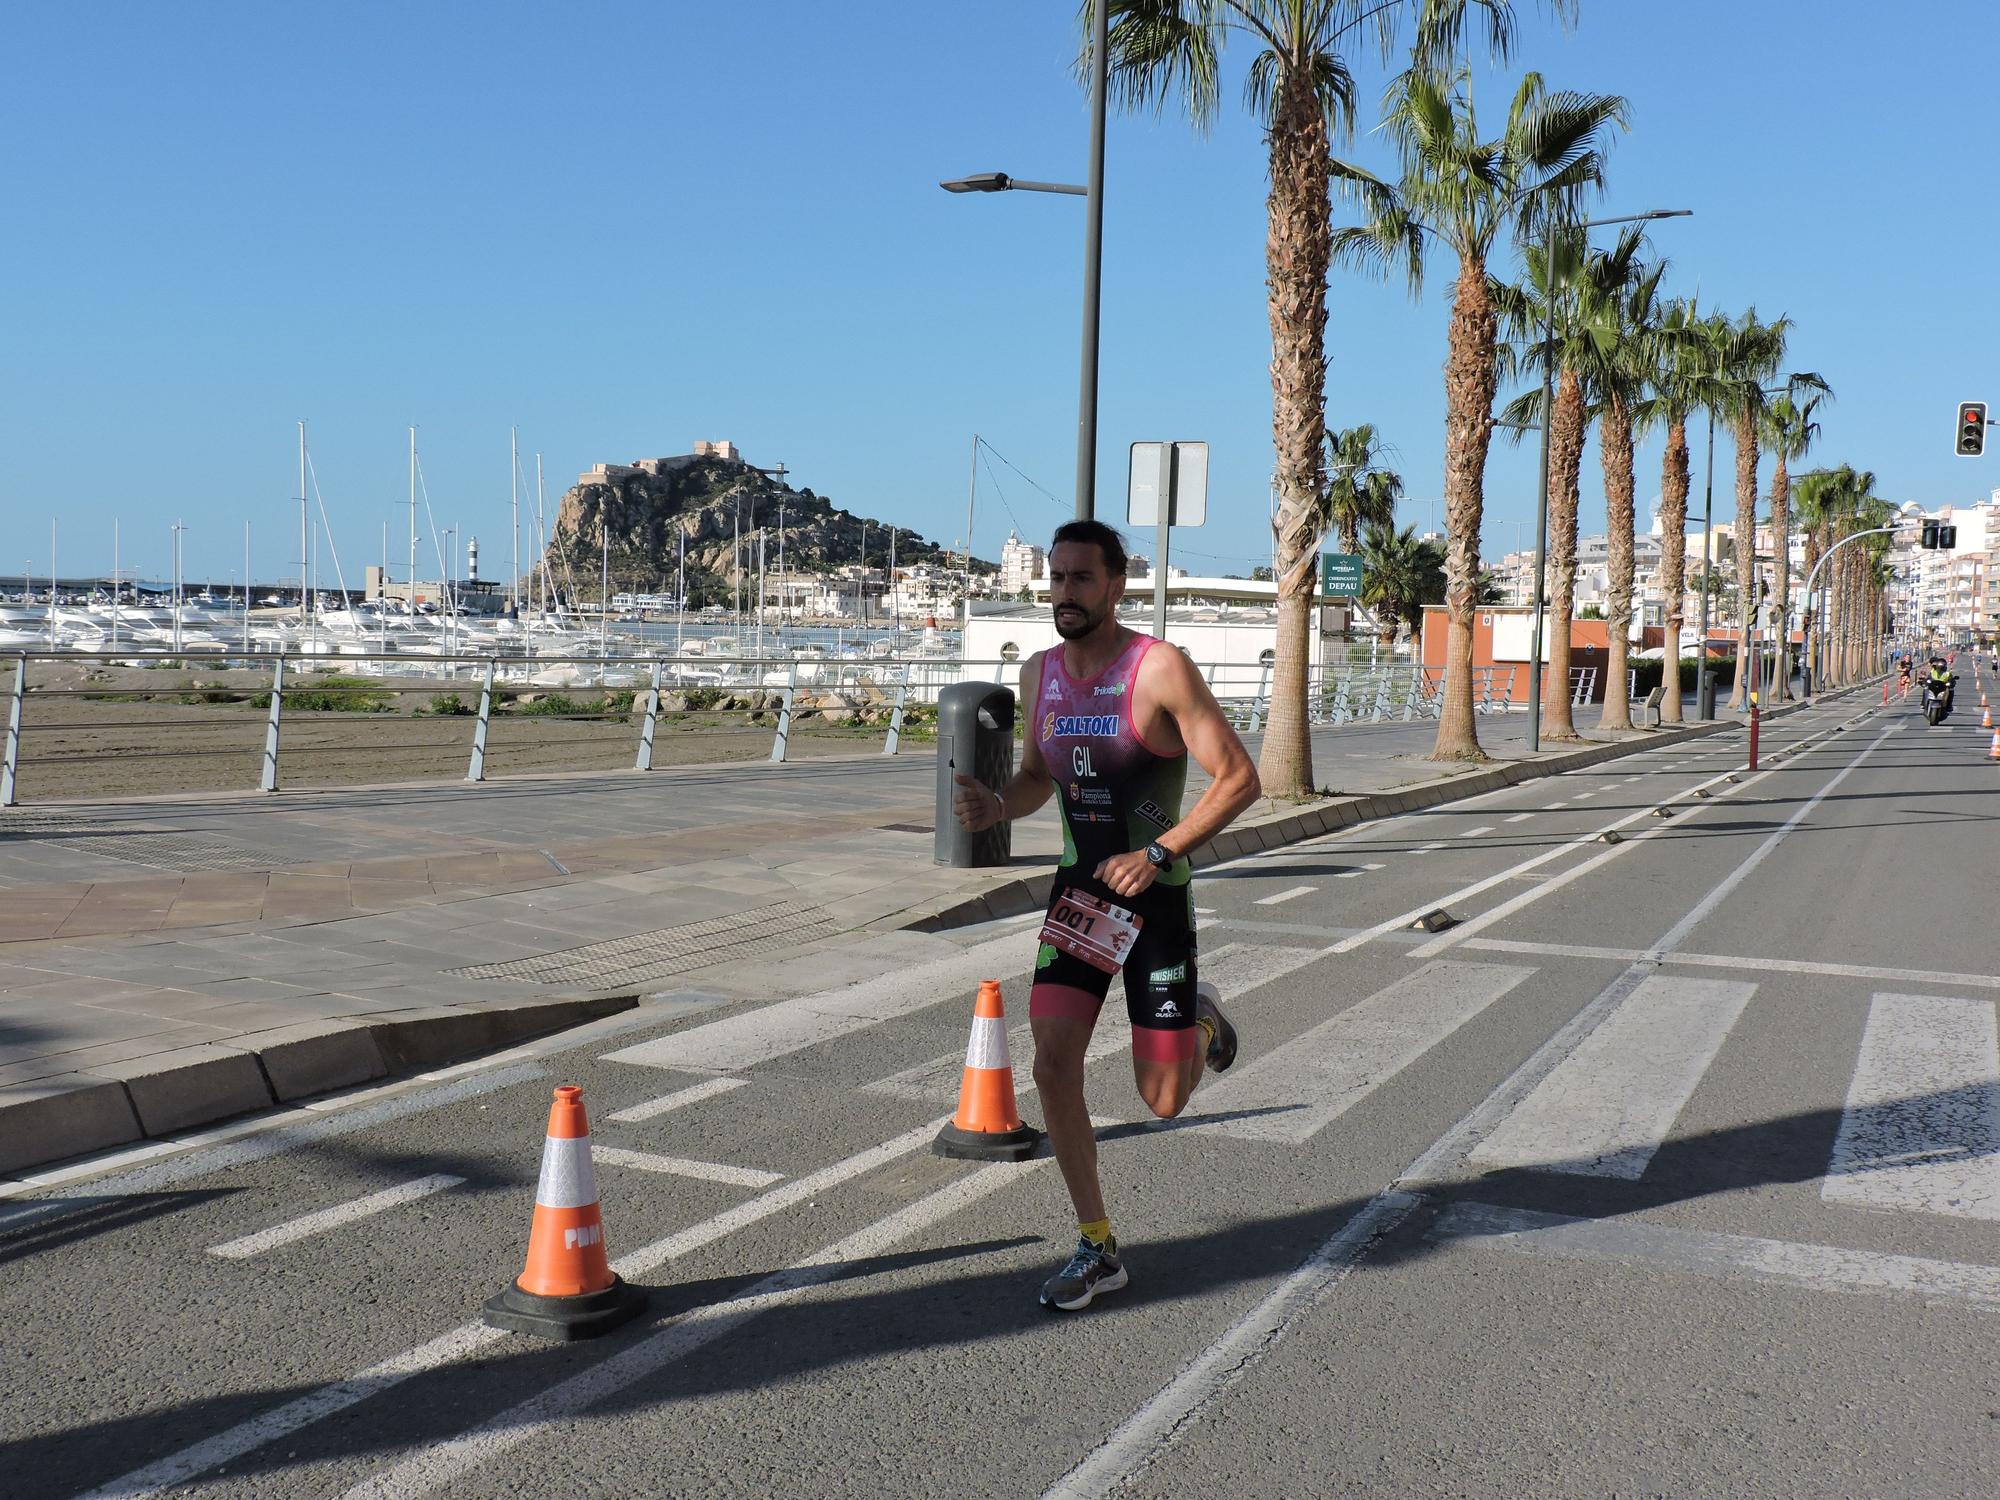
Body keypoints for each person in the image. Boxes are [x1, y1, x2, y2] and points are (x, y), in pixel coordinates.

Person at [951, 518, 1261, 1311]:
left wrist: (1159, 854)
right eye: (1055, 579)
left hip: (1156, 896)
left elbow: (1238, 779)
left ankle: (1199, 1020)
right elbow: (1033, 779)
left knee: (1163, 1100)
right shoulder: (1040, 674)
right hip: (1079, 895)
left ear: (1117, 584)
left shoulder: (1159, 669)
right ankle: (1097, 1245)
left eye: (1081, 579)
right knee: (1052, 1065)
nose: (1064, 594)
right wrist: (996, 808)